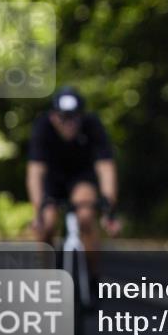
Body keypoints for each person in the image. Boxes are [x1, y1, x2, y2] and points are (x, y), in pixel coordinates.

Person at [27, 86, 121, 279]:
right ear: (53, 117)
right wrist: (38, 211)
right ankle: (45, 279)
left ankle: (93, 276)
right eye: (64, 118)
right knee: (47, 223)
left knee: (86, 215)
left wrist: (108, 211)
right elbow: (35, 173)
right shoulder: (43, 127)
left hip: (81, 178)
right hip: (52, 180)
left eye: (74, 118)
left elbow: (106, 169)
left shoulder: (93, 125)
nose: (69, 124)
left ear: (81, 116)